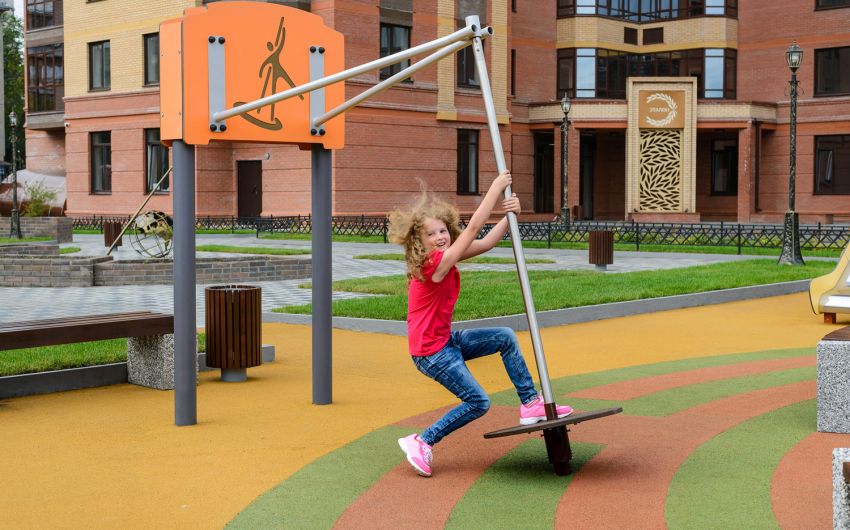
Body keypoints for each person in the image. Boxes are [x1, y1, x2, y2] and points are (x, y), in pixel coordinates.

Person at [388, 170, 573, 478]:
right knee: (478, 402)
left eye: (443, 230)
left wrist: (510, 216)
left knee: (504, 336)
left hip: (445, 342)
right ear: (419, 243)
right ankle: (422, 440)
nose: (440, 237)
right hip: (431, 353)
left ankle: (530, 403)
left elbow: (485, 242)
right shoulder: (433, 265)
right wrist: (496, 189)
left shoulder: (446, 257)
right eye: (431, 234)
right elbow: (474, 228)